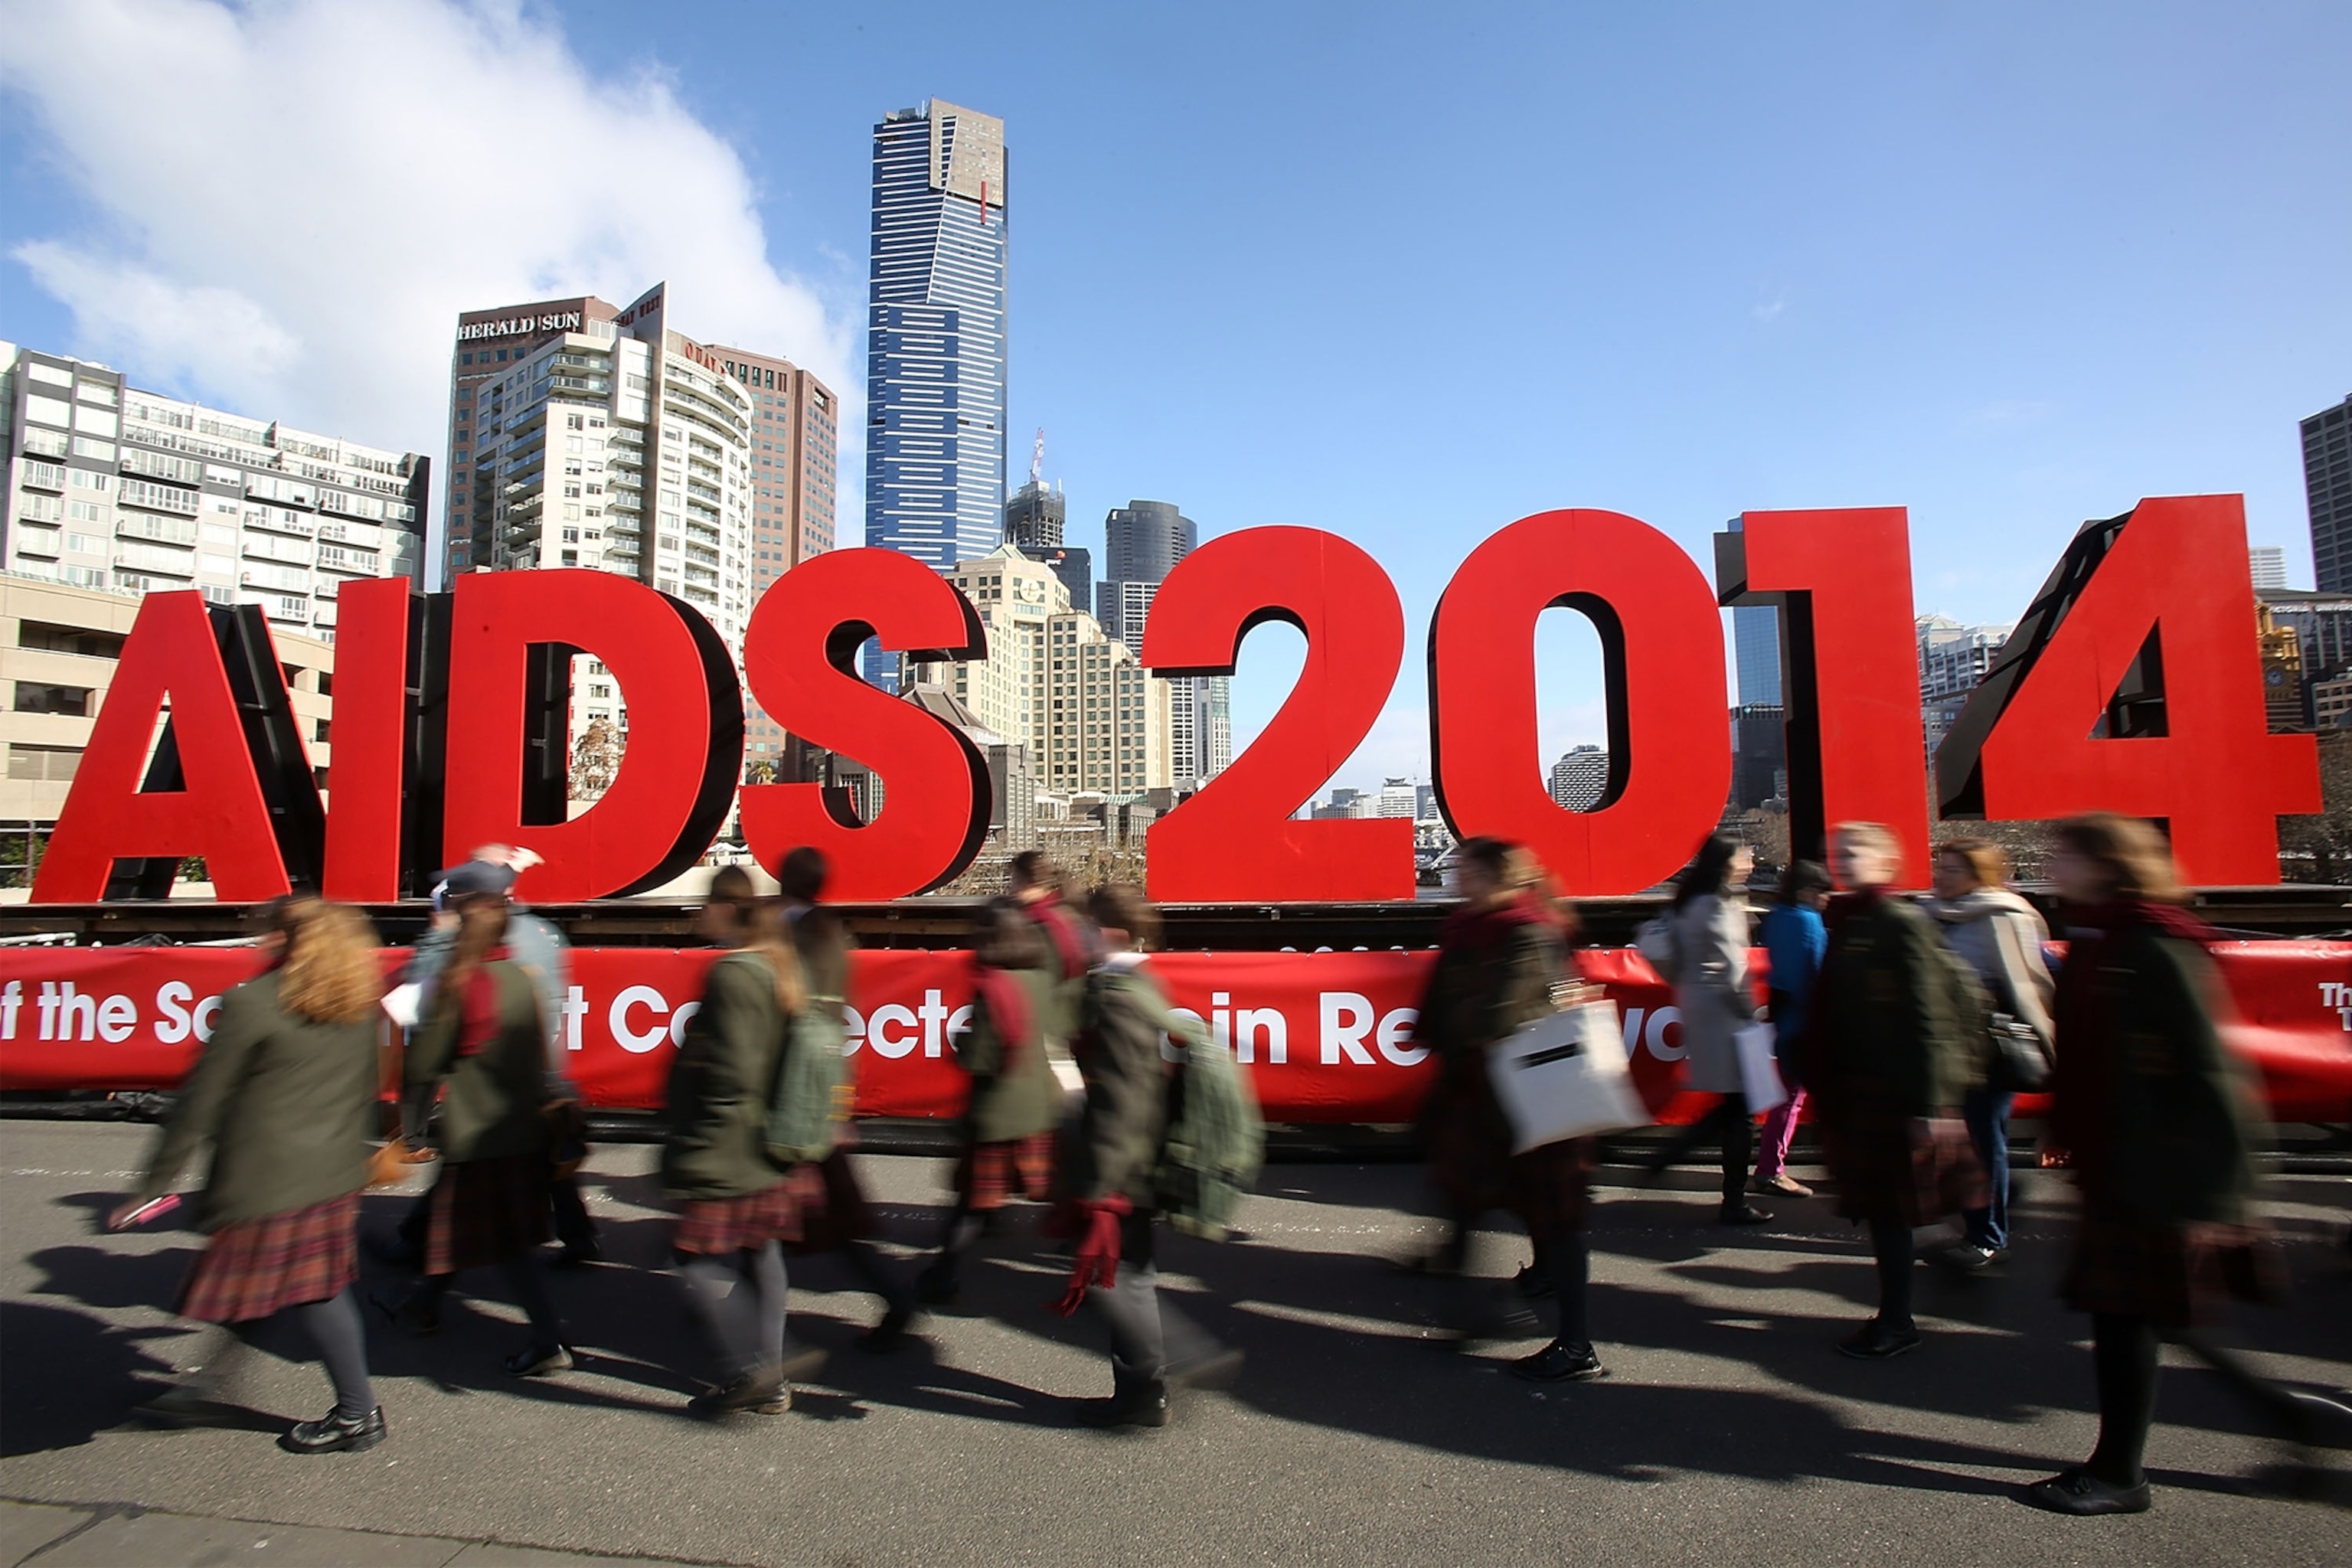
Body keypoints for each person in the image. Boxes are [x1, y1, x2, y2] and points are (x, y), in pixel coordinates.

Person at [2022, 813, 2351, 1514]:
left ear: (2106, 863)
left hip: (2159, 1173)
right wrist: (2068, 1128)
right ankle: (2288, 1417)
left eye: (2065, 852)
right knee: (2157, 1316)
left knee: (2127, 1318)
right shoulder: (2105, 936)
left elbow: (2209, 1079)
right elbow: (2095, 1057)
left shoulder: (2152, 945)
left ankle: (2119, 1475)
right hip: (2124, 1163)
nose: (2052, 863)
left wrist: (2218, 1197)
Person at [113, 898, 388, 1454]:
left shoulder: (252, 1004)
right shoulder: (359, 1003)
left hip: (270, 1180)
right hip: (331, 1173)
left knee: (313, 1293)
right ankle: (212, 1383)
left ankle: (358, 1414)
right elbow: (365, 1090)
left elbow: (199, 1104)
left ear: (288, 942)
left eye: (267, 934)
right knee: (278, 1288)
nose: (260, 943)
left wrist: (152, 1183)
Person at [1407, 838, 1607, 1383]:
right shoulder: (1478, 928)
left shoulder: (1524, 933)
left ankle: (1575, 1343)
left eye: (1465, 868)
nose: (1454, 876)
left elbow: (1495, 1016)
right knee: (1468, 1205)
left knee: (1556, 1222)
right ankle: (1469, 1317)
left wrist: (1446, 1027)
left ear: (1494, 876)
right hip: (1486, 1100)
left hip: (1529, 1101)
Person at [1058, 883, 1242, 1426]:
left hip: (1123, 1162)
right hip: (1142, 1154)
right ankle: (1145, 1384)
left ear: (1108, 932)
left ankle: (1154, 1381)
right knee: (1125, 1274)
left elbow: (1122, 1095)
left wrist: (1102, 1180)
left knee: (1116, 1279)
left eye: (1086, 928)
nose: (1080, 937)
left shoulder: (1117, 996)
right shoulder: (1141, 982)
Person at [1805, 821, 1984, 1360]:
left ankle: (1898, 1318)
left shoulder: (1897, 921)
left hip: (1892, 1092)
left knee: (1889, 1212)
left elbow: (1930, 1015)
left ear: (1888, 861)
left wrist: (1931, 1104)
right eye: (1837, 851)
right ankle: (1921, 1284)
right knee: (1887, 1209)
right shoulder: (1854, 918)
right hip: (1863, 1089)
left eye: (1857, 850)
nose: (1843, 859)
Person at [381, 883, 570, 1376]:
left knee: (502, 1243)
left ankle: (549, 1340)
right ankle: (422, 1304)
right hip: (521, 1128)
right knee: (465, 1231)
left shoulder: (458, 983)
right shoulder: (520, 978)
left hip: (476, 1133)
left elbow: (423, 1063)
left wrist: (408, 1124)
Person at [663, 867, 825, 1416]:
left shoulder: (732, 973)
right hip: (774, 1139)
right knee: (764, 1253)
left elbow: (731, 1070)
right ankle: (773, 1374)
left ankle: (759, 1371)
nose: (700, 915)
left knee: (692, 1256)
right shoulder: (780, 965)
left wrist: (697, 1135)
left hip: (730, 1141)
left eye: (706, 905)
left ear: (728, 909)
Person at [384, 849, 596, 1269]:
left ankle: (419, 1248)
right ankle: (578, 1238)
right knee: (547, 1157)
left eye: (455, 894)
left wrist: (438, 931)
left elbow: (423, 993)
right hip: (540, 1070)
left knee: (468, 1173)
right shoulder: (544, 933)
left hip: (485, 1083)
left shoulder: (460, 944)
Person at [775, 846, 920, 1349]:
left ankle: (738, 1318)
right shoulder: (831, 931)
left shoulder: (786, 933)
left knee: (779, 1208)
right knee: (828, 1213)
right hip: (825, 1077)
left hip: (794, 1086)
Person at [913, 899, 1062, 1305]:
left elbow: (980, 1058)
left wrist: (960, 1043)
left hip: (999, 1113)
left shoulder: (990, 987)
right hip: (1038, 1106)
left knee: (970, 1203)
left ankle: (943, 1275)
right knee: (1051, 1189)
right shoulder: (1037, 978)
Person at [1927, 838, 2055, 1271]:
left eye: (1952, 870)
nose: (1941, 876)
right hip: (1948, 1050)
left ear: (1979, 876)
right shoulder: (1932, 914)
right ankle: (1991, 1210)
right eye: (1939, 867)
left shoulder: (2004, 916)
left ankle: (1987, 1236)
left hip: (1988, 1051)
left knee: (1984, 1141)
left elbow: (2034, 979)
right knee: (1962, 1141)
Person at [1642, 835, 1772, 1226]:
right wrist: (1750, 1015)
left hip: (1700, 1011)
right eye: (1743, 854)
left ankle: (1671, 1160)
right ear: (1727, 863)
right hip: (1727, 1018)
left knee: (1734, 1107)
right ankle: (1731, 1200)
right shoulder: (1718, 905)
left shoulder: (1687, 901)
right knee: (1741, 1111)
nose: (1749, 859)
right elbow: (1731, 967)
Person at [1752, 860, 1831, 1199]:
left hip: (1784, 1018)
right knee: (1794, 1099)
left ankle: (1770, 1167)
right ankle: (1771, 1169)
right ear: (1809, 892)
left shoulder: (1777, 917)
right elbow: (1813, 975)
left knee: (1787, 1097)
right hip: (1807, 1023)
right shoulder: (1809, 922)